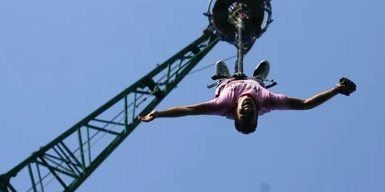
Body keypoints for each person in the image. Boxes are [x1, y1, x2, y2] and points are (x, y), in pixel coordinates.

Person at [137, 60, 357, 134]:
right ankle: (258, 77)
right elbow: (307, 104)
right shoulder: (268, 102)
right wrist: (336, 89)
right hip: (255, 82)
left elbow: (189, 110)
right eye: (252, 112)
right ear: (258, 113)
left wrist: (158, 113)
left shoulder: (223, 105)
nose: (247, 107)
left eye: (243, 112)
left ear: (235, 112)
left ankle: (222, 76)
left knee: (221, 71)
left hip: (227, 84)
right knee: (264, 68)